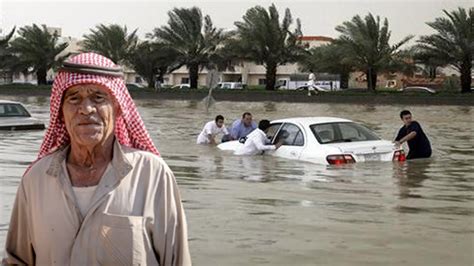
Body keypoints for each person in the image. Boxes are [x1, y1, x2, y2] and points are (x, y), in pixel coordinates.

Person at [3, 53, 191, 265]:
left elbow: (176, 260)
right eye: (74, 98)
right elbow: (17, 261)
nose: (86, 109)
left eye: (99, 98)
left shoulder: (153, 175)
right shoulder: (35, 180)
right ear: (60, 111)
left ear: (118, 107)